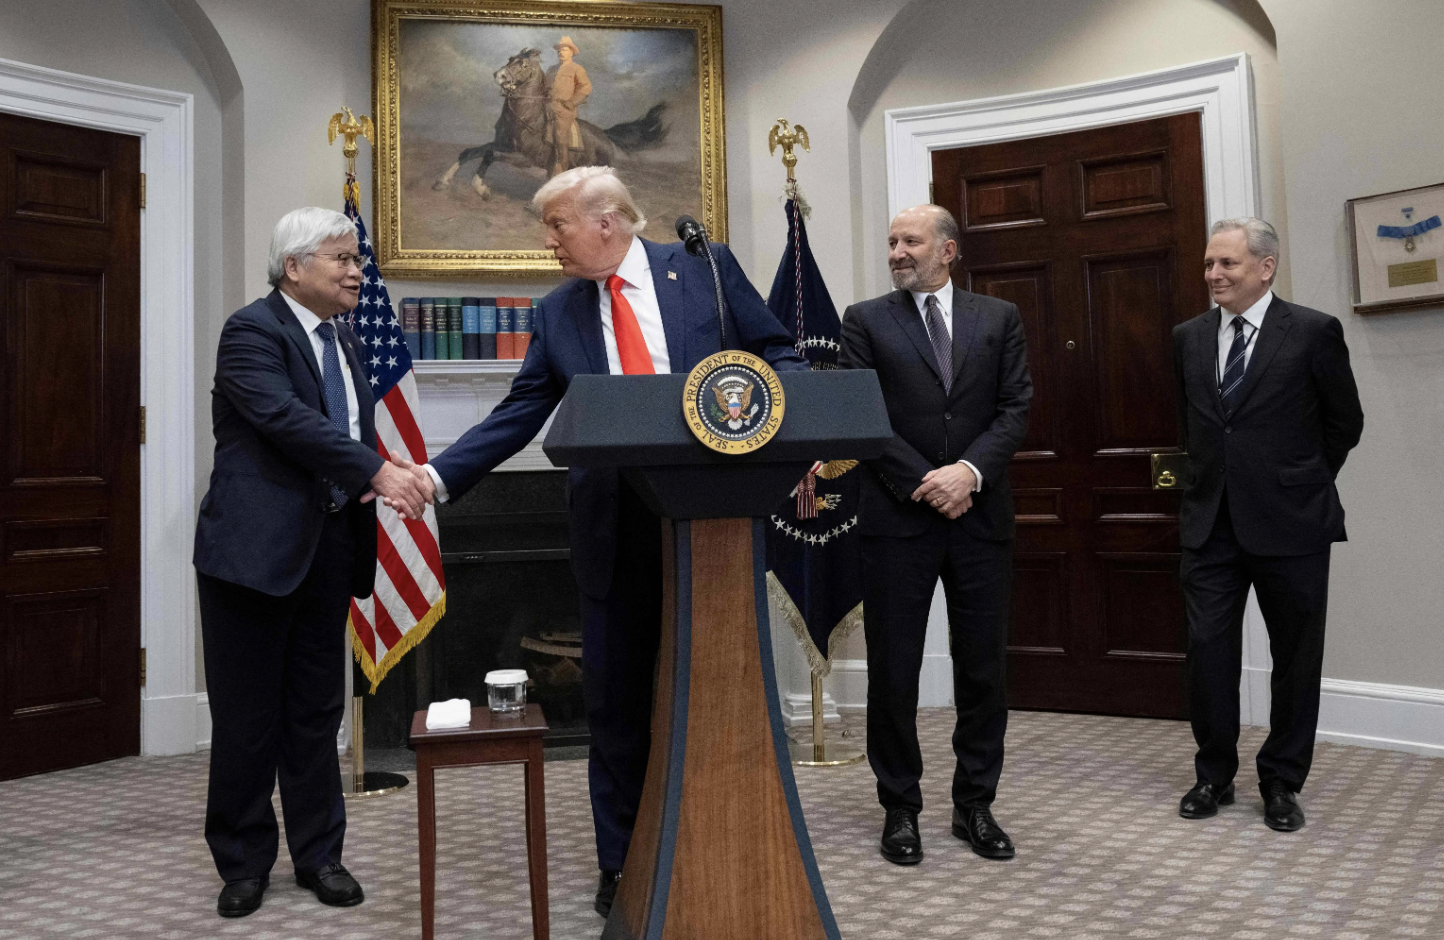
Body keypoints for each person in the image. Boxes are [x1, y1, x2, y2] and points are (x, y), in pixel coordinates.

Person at [395, 166, 807, 916]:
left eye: (557, 225)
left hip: (711, 520)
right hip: (613, 525)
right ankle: (623, 861)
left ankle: (724, 843)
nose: (548, 242)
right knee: (615, 707)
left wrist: (785, 432)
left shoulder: (705, 271)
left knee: (718, 691)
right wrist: (434, 476)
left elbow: (778, 354)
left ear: (607, 222)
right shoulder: (559, 312)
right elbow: (520, 410)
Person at [192, 207, 430, 918]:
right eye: (343, 259)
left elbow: (347, 427)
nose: (358, 271)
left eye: (357, 259)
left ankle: (320, 855)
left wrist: (381, 466)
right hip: (254, 555)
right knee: (247, 720)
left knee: (315, 714)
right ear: (294, 267)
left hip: (329, 547)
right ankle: (243, 863)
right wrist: (378, 472)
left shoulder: (345, 337)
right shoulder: (251, 332)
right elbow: (285, 421)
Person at [840, 204, 1032, 866]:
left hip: (980, 518)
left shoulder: (998, 318)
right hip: (898, 519)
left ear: (947, 251)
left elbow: (1015, 408)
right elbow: (860, 416)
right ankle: (900, 807)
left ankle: (974, 804)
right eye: (892, 241)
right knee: (894, 671)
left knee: (983, 669)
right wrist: (927, 480)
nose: (897, 251)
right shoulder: (865, 320)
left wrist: (968, 473)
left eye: (911, 241)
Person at [1172, 218, 1363, 831]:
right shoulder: (1188, 337)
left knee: (1296, 656)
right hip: (1210, 524)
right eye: (1209, 263)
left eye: (1226, 263)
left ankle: (1281, 780)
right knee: (1208, 652)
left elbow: (1345, 422)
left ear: (1266, 266)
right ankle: (1213, 775)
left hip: (1293, 522)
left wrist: (1300, 479)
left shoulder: (1311, 331)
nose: (1213, 274)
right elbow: (1192, 425)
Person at [547, 35, 591, 176]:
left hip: (564, 109)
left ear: (571, 52)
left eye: (564, 50)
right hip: (547, 105)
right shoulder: (551, 69)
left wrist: (572, 102)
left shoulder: (577, 69)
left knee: (560, 134)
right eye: (559, 50)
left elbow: (585, 87)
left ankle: (561, 168)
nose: (561, 52)